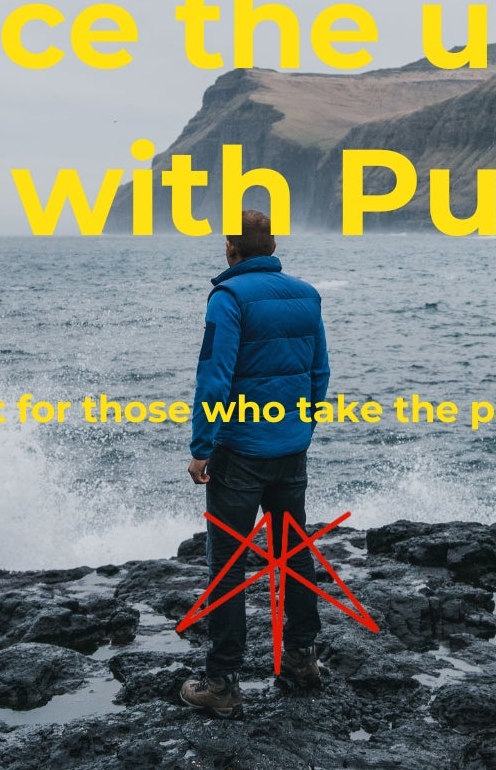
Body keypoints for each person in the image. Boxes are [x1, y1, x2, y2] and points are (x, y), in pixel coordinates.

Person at [178, 209, 330, 718]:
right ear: (273, 245)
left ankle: (222, 682)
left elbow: (214, 377)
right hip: (291, 450)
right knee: (295, 551)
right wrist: (301, 429)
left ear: (230, 248)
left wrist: (203, 447)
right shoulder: (307, 295)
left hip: (239, 453)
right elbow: (319, 373)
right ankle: (302, 660)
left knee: (227, 566)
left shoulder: (229, 298)